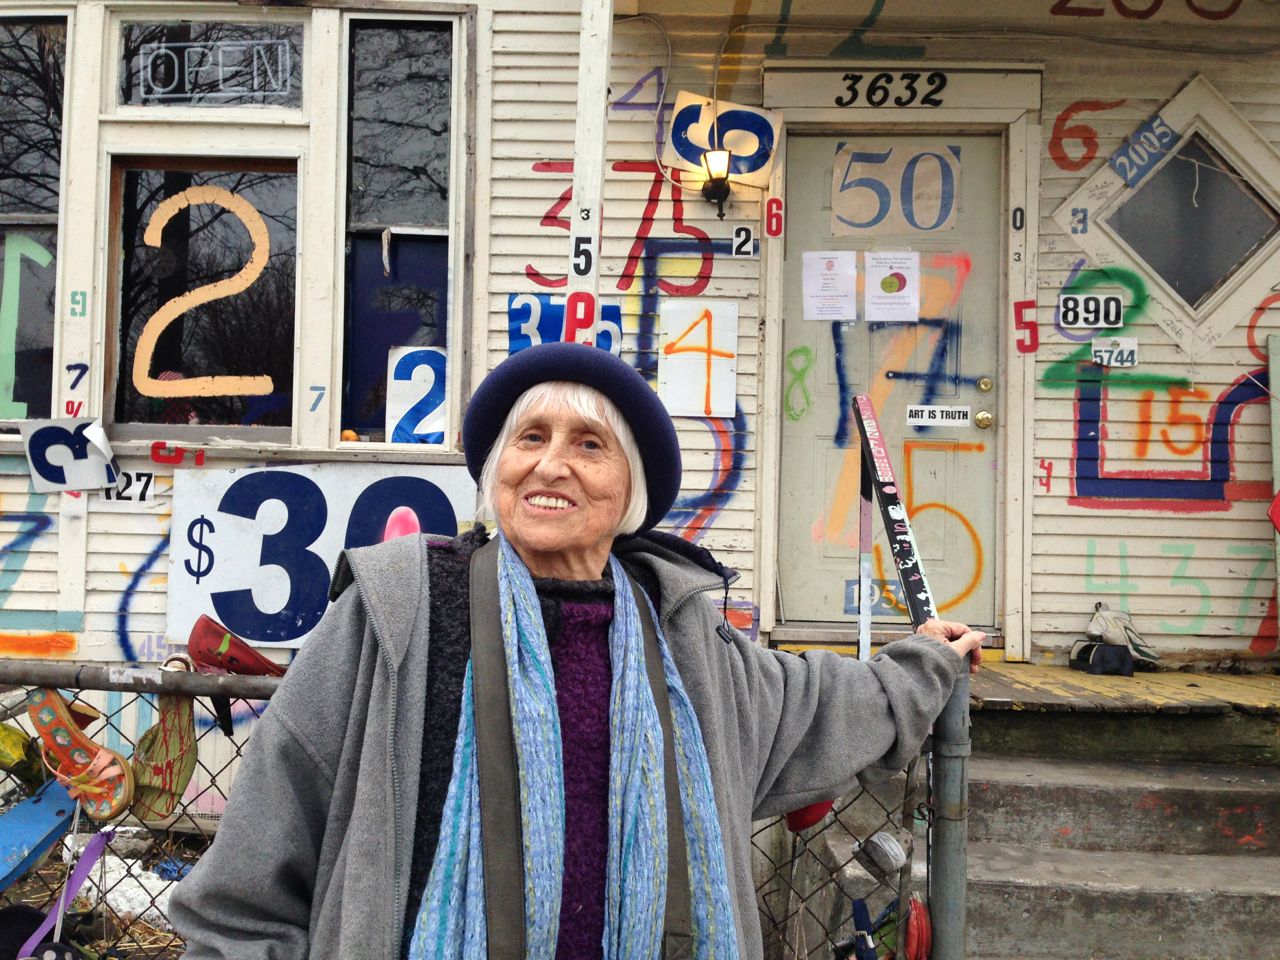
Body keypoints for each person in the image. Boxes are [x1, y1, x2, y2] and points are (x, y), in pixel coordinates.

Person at [170, 342, 983, 960]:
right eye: (530, 438)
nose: (551, 463)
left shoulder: (686, 638)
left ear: (628, 491)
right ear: (498, 473)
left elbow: (821, 708)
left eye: (589, 444)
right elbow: (243, 892)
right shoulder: (396, 619)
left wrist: (926, 662)